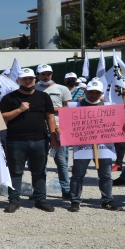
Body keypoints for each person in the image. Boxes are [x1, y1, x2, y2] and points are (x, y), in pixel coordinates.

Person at [0, 68, 58, 213]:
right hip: (16, 140)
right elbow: (0, 117)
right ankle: (14, 200)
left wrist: (53, 137)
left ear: (35, 80)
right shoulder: (9, 98)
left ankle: (40, 200)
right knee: (15, 172)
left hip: (40, 140)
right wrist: (19, 110)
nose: (28, 81)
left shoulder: (43, 97)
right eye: (24, 78)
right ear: (18, 80)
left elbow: (50, 117)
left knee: (39, 171)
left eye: (30, 78)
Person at [67, 80, 123, 212]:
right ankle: (75, 201)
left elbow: (117, 126)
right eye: (90, 92)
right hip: (82, 148)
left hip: (103, 147)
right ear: (85, 91)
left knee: (105, 175)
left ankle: (107, 200)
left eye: (96, 92)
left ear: (101, 93)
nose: (93, 95)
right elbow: (68, 126)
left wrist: (122, 126)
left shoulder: (109, 107)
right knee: (77, 174)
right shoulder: (75, 107)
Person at [35, 64, 72, 199]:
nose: (46, 76)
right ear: (38, 75)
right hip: (39, 130)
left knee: (61, 162)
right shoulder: (33, 89)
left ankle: (66, 190)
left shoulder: (62, 89)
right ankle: (40, 191)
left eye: (48, 74)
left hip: (59, 130)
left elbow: (69, 108)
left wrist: (47, 109)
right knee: (40, 162)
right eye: (43, 74)